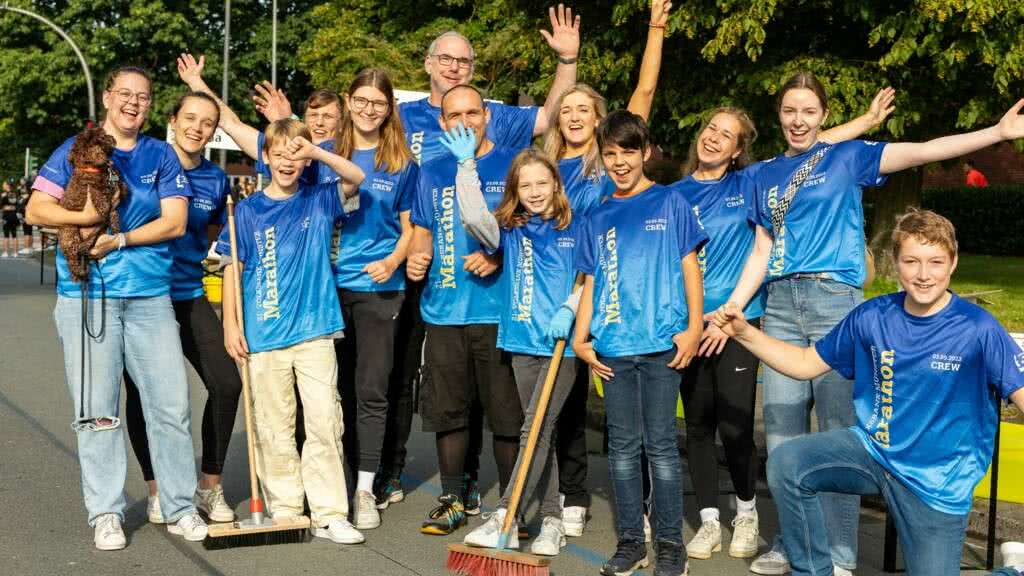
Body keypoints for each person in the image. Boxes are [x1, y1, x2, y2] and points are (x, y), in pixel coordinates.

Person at [721, 73, 1024, 576]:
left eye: (810, 111)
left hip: (833, 298)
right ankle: (800, 552)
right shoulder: (764, 175)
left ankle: (841, 554)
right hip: (779, 300)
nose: (799, 120)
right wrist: (733, 312)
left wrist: (995, 134)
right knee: (783, 440)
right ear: (779, 115)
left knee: (842, 428)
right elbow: (762, 248)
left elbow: (923, 150)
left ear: (823, 115)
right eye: (790, 111)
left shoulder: (846, 156)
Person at [670, 88, 896, 562]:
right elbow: (803, 140)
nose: (714, 138)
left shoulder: (749, 179)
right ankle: (786, 542)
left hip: (796, 306)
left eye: (727, 135)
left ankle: (831, 554)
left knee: (826, 431)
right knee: (768, 434)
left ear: (739, 149)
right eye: (711, 129)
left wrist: (865, 122)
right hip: (737, 312)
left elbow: (810, 147)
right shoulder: (683, 192)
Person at [25, 65, 208, 550]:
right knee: (97, 412)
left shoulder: (160, 154)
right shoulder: (74, 149)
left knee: (171, 408)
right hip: (88, 299)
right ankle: (105, 512)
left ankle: (180, 506)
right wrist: (84, 217)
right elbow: (35, 210)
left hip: (150, 298)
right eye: (124, 93)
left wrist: (119, 239)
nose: (133, 102)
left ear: (150, 105)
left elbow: (174, 222)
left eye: (142, 96)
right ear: (107, 97)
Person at [540, 0, 671, 537]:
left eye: (583, 110)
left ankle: (642, 508)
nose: (573, 117)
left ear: (599, 120)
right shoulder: (546, 166)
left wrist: (655, 28)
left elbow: (641, 96)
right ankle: (573, 496)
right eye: (565, 110)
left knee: (632, 413)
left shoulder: (606, 161)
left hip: (606, 291)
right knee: (568, 401)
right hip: (559, 290)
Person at [217, 118, 366, 545]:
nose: (286, 161)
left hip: (316, 330)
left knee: (323, 422)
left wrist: (316, 150)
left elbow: (356, 176)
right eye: (278, 153)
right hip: (262, 334)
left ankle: (330, 512)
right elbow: (232, 270)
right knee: (272, 424)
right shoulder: (245, 211)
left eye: (294, 154)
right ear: (265, 157)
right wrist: (230, 324)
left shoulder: (320, 198)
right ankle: (286, 507)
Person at [573, 110, 707, 576]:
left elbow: (691, 267)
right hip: (613, 348)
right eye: (610, 154)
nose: (619, 162)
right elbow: (591, 281)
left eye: (628, 152)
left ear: (645, 152)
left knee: (662, 447)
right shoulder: (597, 214)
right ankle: (633, 542)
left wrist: (693, 328)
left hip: (660, 346)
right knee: (623, 448)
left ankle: (672, 545)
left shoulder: (671, 203)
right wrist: (580, 336)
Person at [406, 84, 524, 536]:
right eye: (454, 115)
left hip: (499, 312)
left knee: (505, 416)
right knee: (449, 412)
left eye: (473, 113)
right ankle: (452, 498)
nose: (465, 122)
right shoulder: (431, 169)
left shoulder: (512, 162)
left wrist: (499, 255)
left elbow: (531, 227)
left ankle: (511, 505)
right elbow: (423, 229)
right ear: (442, 122)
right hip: (445, 310)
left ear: (486, 115)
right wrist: (419, 256)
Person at [120, 89, 243, 526]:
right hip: (139, 293)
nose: (197, 127)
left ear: (213, 131)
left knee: (227, 383)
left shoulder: (215, 179)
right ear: (172, 120)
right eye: (189, 118)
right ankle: (157, 490)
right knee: (144, 394)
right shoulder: (144, 161)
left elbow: (212, 235)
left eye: (206, 122)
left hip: (189, 293)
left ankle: (208, 486)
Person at [455, 142, 583, 556]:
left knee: (534, 429)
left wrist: (570, 307)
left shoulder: (576, 224)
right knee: (539, 433)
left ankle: (505, 513)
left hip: (560, 344)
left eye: (542, 182)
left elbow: (589, 277)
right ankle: (550, 519)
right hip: (521, 340)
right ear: (514, 188)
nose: (534, 190)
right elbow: (474, 218)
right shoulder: (510, 226)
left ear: (556, 183)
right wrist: (465, 167)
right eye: (525, 184)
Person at [330, 68, 419, 531]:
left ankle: (365, 489)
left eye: (378, 103)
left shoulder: (402, 162)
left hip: (380, 291)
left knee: (372, 390)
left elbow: (412, 229)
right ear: (348, 101)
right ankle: (335, 483)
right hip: (327, 290)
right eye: (361, 100)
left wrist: (393, 261)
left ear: (389, 109)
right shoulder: (324, 153)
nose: (368, 109)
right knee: (332, 391)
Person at [399, 4, 581, 165]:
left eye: (463, 61)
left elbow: (550, 117)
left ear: (471, 70)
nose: (454, 67)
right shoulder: (401, 116)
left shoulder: (496, 116)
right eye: (445, 59)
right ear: (428, 64)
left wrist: (567, 59)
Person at [2, 180, 17, 257]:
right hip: (14, 216)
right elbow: (17, 205)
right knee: (14, 235)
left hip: (7, 216)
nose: (2, 185)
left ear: (8, 185)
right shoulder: (15, 194)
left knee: (6, 235)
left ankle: (6, 252)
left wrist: (5, 207)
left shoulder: (4, 195)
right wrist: (12, 207)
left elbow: (2, 206)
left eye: (4, 184)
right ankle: (15, 253)